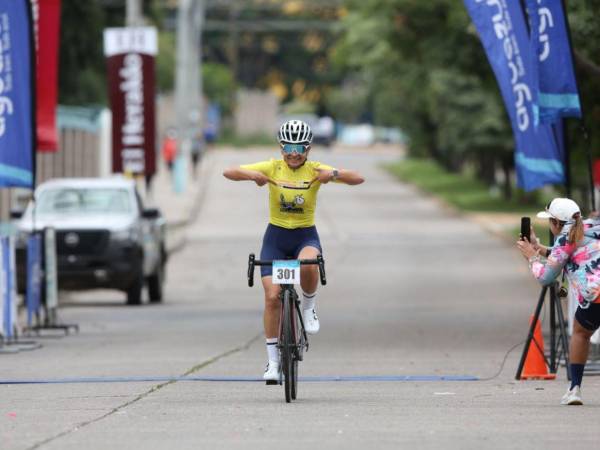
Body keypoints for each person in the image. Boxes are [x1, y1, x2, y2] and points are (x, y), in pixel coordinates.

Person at [223, 119, 365, 381]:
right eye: (288, 146)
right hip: (275, 238)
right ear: (281, 147)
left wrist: (331, 175)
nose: (293, 153)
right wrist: (251, 175)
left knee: (310, 262)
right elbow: (228, 171)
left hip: (304, 236)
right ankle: (273, 363)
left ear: (308, 148)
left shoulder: (314, 169)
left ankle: (309, 306)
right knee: (272, 297)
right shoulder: (272, 167)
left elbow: (358, 177)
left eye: (299, 147)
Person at [516, 198, 600, 405]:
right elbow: (565, 254)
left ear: (556, 223)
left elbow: (545, 276)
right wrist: (538, 247)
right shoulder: (590, 226)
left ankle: (574, 389)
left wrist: (531, 257)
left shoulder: (564, 240)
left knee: (581, 333)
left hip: (595, 297)